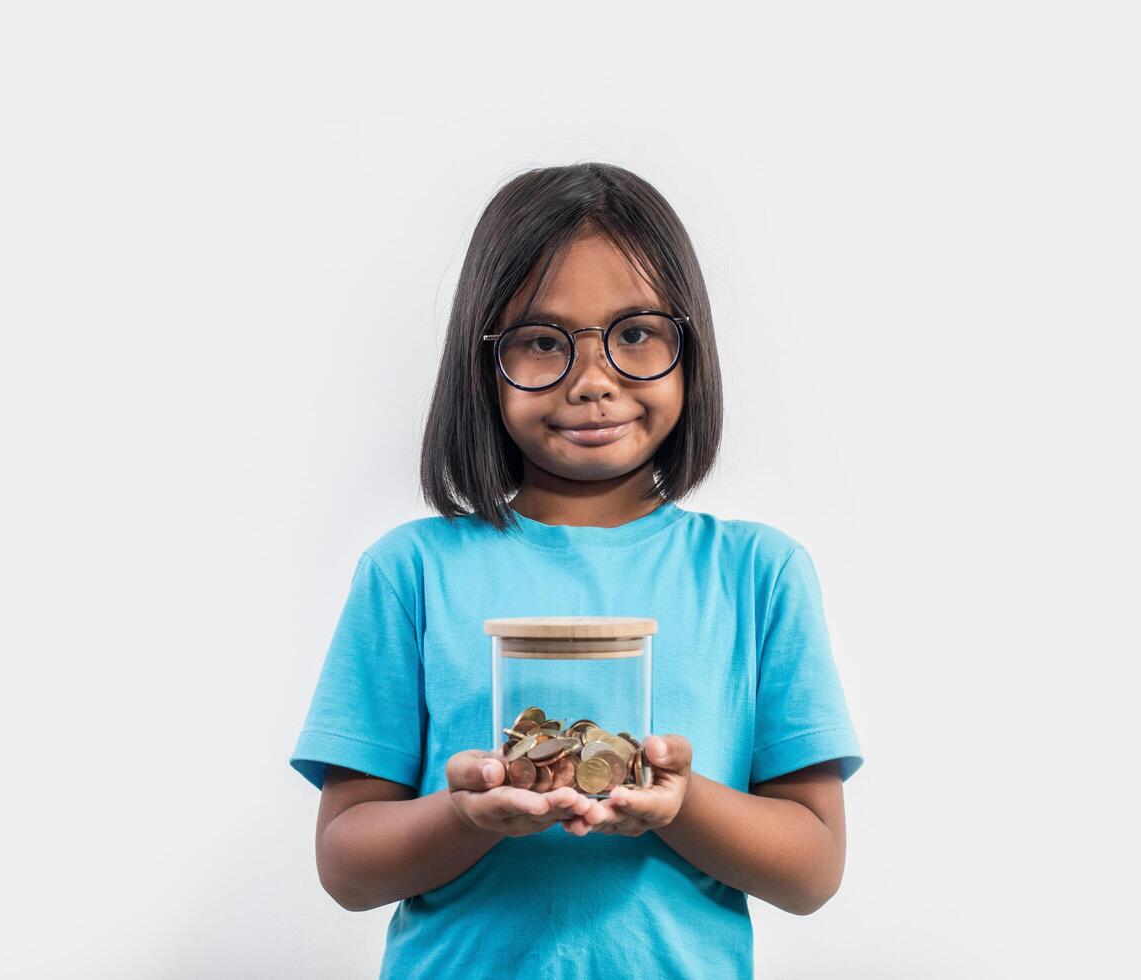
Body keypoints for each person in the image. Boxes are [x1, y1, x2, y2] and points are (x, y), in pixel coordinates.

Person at [289, 162, 865, 979]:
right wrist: (466, 815)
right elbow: (347, 866)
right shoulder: (410, 572)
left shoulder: (756, 574)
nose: (592, 382)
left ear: (688, 346)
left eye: (634, 333)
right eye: (540, 341)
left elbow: (811, 870)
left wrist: (681, 802)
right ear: (482, 363)